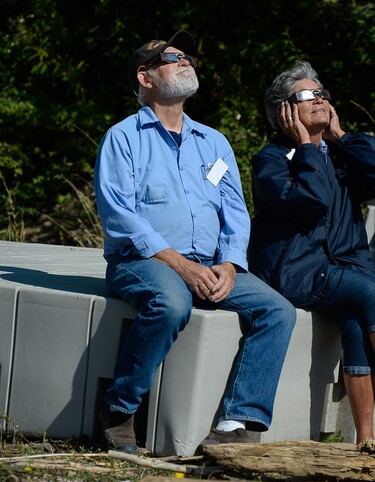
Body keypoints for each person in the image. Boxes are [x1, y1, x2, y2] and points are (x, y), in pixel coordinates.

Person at [93, 30, 296, 453]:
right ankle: (119, 410)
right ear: (146, 77)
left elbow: (235, 211)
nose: (186, 60)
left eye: (188, 56)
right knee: (171, 303)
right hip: (143, 262)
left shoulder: (214, 141)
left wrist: (229, 264)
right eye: (172, 57)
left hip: (210, 264)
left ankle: (235, 425)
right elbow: (121, 216)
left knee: (278, 311)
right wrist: (182, 267)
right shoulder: (124, 138)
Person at [248, 60, 375, 444]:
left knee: (356, 321)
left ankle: (365, 441)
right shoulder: (270, 160)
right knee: (369, 292)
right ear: (284, 112)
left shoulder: (338, 153)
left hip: (345, 267)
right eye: (306, 95)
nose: (319, 98)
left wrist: (340, 137)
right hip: (298, 273)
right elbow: (312, 200)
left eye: (322, 92)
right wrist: (307, 147)